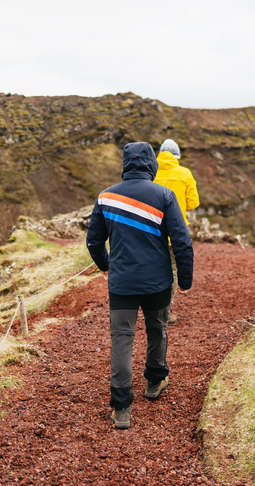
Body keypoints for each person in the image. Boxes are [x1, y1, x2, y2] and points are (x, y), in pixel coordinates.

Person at [86, 141, 194, 430]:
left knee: (122, 338)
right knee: (157, 329)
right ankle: (155, 380)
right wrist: (185, 280)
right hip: (157, 281)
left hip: (121, 283)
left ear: (125, 164)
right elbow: (182, 242)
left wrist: (108, 265)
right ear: (151, 164)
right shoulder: (164, 195)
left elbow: (94, 241)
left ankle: (121, 407)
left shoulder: (105, 197)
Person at [153, 138, 199, 325]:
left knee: (152, 267)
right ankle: (164, 311)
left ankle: (150, 308)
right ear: (177, 156)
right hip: (174, 231)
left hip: (151, 229)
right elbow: (193, 203)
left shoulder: (150, 172)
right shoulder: (184, 173)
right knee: (171, 268)